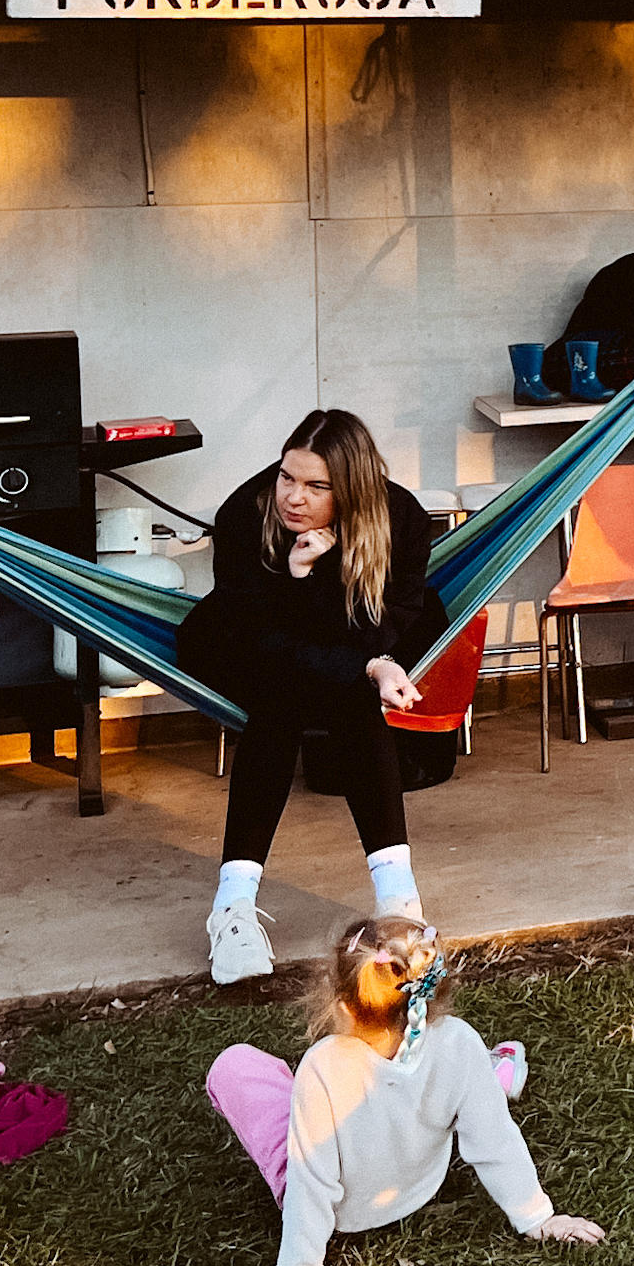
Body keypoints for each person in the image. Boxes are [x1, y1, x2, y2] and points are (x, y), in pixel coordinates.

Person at [201, 915, 602, 1266]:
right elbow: (496, 1142)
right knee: (465, 1076)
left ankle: (490, 1075)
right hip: (421, 1184)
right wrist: (539, 1218)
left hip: (346, 1211)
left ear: (342, 1006)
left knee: (235, 1065)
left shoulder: (321, 1067)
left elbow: (311, 1179)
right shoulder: (459, 1042)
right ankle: (491, 1072)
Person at [187, 410, 450, 986]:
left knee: (342, 698)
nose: (293, 497)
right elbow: (263, 632)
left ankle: (399, 906)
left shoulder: (400, 518)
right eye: (287, 477)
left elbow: (397, 612)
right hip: (242, 641)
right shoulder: (245, 514)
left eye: (315, 485)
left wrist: (372, 655)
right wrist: (298, 576)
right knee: (283, 699)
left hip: (344, 648)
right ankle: (233, 911)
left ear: (352, 490)